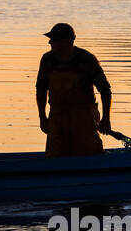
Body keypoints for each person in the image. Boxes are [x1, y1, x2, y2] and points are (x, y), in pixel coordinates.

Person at [35, 23, 112, 158]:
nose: (50, 42)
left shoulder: (87, 60)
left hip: (84, 120)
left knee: (90, 156)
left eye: (54, 39)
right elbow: (40, 89)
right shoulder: (47, 60)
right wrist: (42, 117)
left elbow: (105, 90)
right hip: (57, 119)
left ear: (66, 42)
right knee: (54, 159)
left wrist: (106, 119)